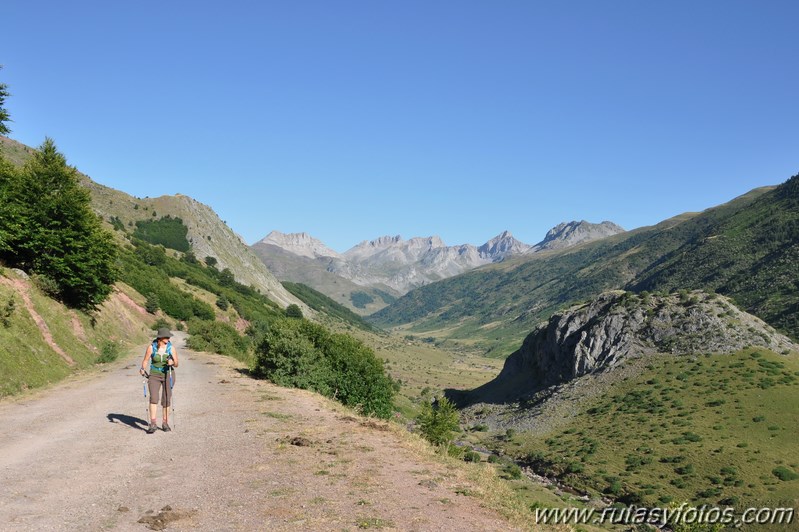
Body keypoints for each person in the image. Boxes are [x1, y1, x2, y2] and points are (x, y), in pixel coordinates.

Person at [140, 327, 179, 433]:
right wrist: (142, 369)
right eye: (166, 336)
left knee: (166, 399)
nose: (168, 338)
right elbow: (145, 360)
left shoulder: (171, 348)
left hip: (168, 374)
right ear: (160, 338)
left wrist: (172, 363)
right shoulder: (151, 348)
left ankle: (165, 423)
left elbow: (177, 364)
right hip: (154, 374)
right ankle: (153, 424)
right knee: (153, 398)